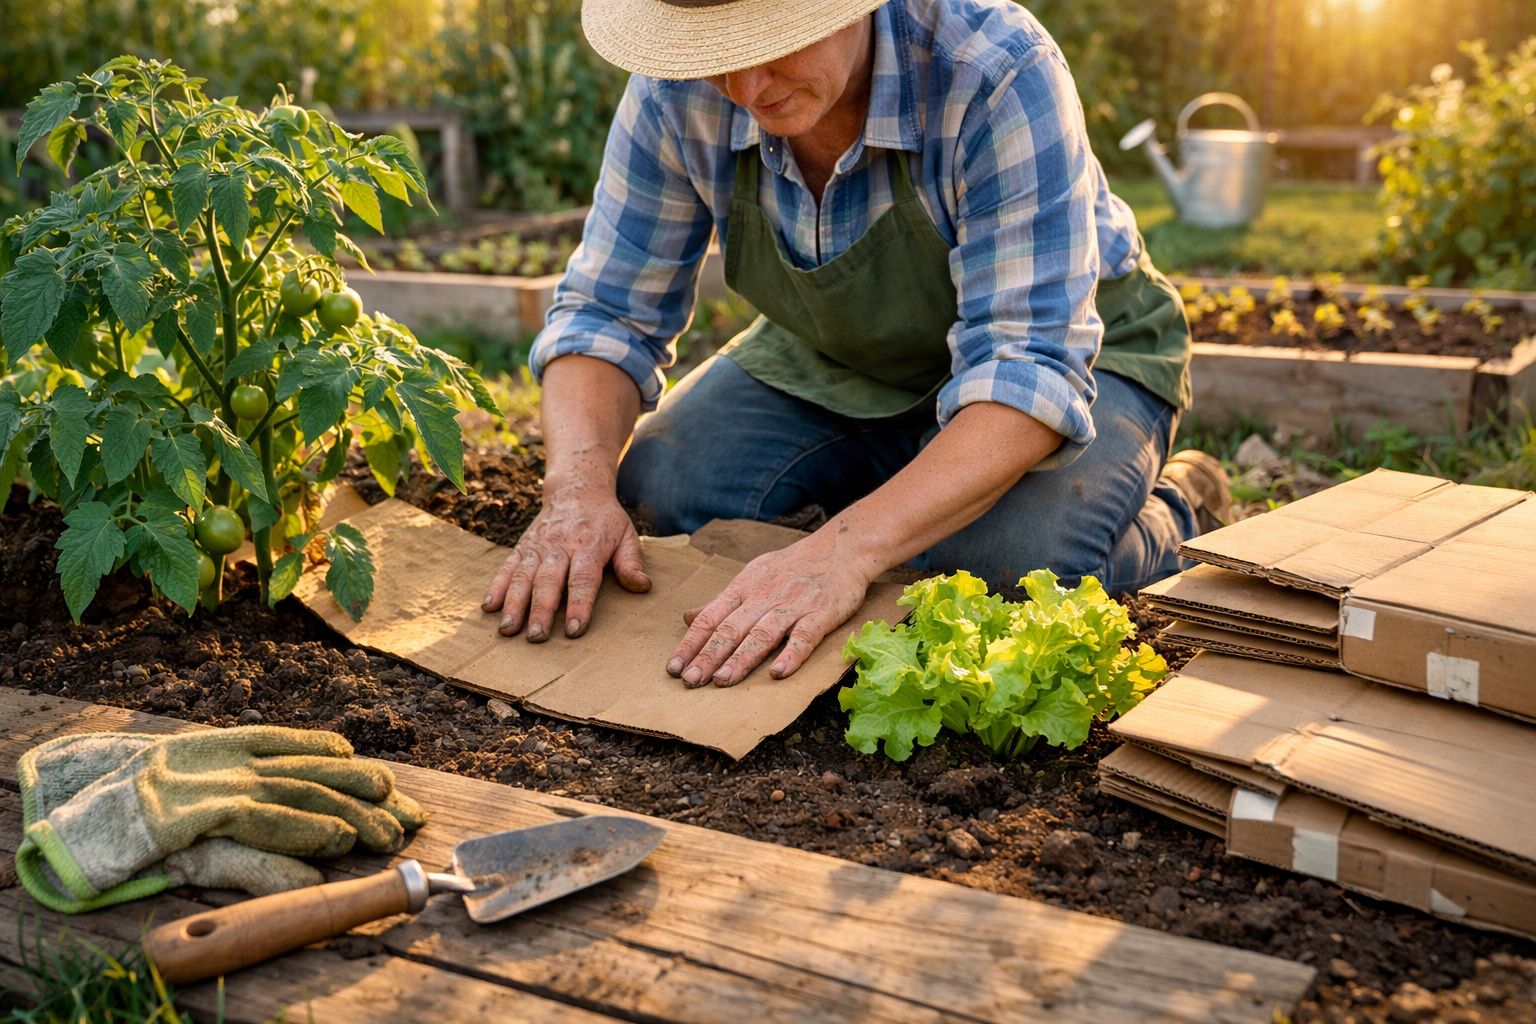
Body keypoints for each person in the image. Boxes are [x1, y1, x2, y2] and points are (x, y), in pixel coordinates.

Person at [482, 0, 1231, 690]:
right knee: (661, 488)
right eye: (717, 53)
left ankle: (1177, 507)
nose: (746, 84)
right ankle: (908, 501)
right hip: (838, 356)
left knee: (997, 579)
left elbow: (1027, 366)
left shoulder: (993, 70)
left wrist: (845, 552)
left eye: (774, 40)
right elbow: (608, 314)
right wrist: (578, 489)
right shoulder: (676, 93)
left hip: (1081, 362)